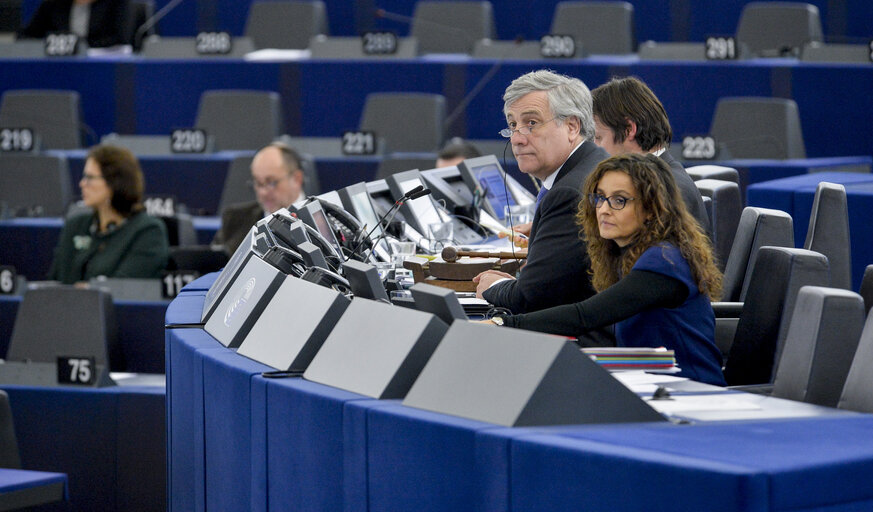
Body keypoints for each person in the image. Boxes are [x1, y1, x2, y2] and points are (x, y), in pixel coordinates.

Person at [485, 154, 725, 386]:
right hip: (648, 380)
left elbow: (584, 316)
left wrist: (501, 325)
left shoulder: (663, 260)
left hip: (690, 391)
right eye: (599, 197)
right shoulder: (629, 253)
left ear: (652, 209)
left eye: (619, 200)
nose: (603, 209)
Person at [473, 70, 611, 319]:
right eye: (513, 125)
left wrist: (492, 286)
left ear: (571, 126)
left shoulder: (569, 192)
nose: (516, 139)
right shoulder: (592, 164)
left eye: (531, 124)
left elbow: (531, 298)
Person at [591, 76, 711, 235]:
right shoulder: (657, 178)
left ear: (629, 130)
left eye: (598, 138)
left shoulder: (665, 191)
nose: (593, 147)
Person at [48, 145, 168, 284]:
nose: (82, 184)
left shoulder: (148, 231)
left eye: (90, 177)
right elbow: (54, 281)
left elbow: (125, 289)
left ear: (114, 183)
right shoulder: (75, 225)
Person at [212, 141, 306, 254]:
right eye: (258, 183)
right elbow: (214, 267)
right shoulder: (234, 219)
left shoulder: (321, 219)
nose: (263, 192)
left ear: (297, 179)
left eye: (271, 182)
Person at [19, 0, 131, 49]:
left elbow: (121, 38)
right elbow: (26, 37)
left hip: (101, 67)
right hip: (59, 66)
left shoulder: (116, 3)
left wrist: (81, 47)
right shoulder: (52, 5)